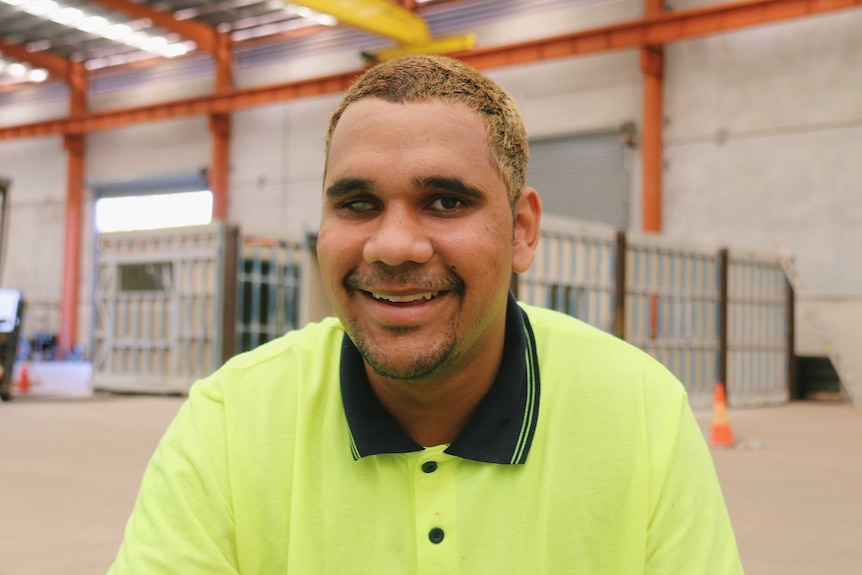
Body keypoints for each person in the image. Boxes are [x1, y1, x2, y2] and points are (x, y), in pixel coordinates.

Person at [108, 55, 743, 574]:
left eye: (443, 201)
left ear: (521, 231)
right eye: (357, 203)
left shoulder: (640, 412)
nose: (393, 246)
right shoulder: (230, 422)